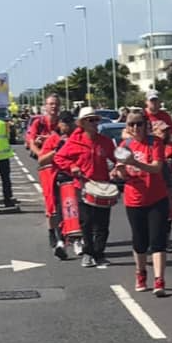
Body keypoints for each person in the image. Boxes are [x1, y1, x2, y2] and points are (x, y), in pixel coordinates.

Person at [114, 112, 169, 296]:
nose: (136, 128)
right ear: (127, 126)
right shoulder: (124, 146)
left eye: (139, 124)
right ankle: (141, 272)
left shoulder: (155, 143)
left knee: (157, 240)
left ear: (146, 125)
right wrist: (120, 171)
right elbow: (123, 174)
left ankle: (159, 280)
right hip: (134, 199)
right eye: (132, 124)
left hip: (156, 198)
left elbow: (156, 167)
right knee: (139, 241)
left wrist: (135, 162)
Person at [54, 107, 116, 267]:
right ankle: (88, 253)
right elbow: (59, 158)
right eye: (91, 120)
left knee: (103, 224)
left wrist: (117, 168)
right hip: (82, 186)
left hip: (102, 186)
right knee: (86, 222)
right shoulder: (74, 142)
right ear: (82, 123)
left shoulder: (105, 142)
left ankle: (100, 253)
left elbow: (116, 159)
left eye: (96, 120)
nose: (95, 123)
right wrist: (72, 167)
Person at [38, 111, 78, 260]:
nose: (67, 126)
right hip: (59, 179)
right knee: (61, 211)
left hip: (77, 178)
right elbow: (42, 160)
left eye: (69, 123)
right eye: (64, 123)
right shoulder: (53, 139)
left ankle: (75, 240)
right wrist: (57, 151)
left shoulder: (77, 137)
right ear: (60, 124)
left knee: (78, 212)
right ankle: (61, 240)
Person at [151, 119, 172, 252]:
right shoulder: (151, 145)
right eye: (162, 131)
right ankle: (154, 240)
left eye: (167, 131)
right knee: (153, 215)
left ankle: (166, 240)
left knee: (168, 215)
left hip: (168, 184)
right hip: (152, 185)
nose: (165, 133)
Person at [26, 94, 61, 158]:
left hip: (60, 157)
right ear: (45, 106)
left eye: (57, 104)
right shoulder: (38, 123)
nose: (54, 106)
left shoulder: (63, 123)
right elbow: (32, 143)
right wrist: (41, 155)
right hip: (43, 157)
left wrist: (49, 139)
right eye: (51, 104)